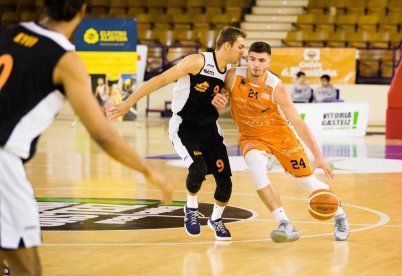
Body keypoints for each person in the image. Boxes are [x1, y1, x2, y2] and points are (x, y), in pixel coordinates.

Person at [0, 1, 173, 275]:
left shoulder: (12, 32)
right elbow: (102, 134)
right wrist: (150, 172)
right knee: (28, 269)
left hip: (10, 166)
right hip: (4, 161)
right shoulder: (65, 59)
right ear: (82, 11)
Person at [106, 26, 246, 241]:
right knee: (198, 169)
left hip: (209, 128)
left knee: (225, 182)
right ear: (227, 46)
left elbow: (221, 98)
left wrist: (222, 101)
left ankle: (215, 219)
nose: (242, 52)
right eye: (240, 47)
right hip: (185, 127)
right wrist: (128, 103)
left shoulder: (227, 73)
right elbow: (158, 80)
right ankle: (190, 208)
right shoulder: (197, 62)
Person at [212, 42, 349, 243]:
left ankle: (340, 215)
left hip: (281, 137)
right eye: (252, 59)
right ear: (247, 59)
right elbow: (221, 94)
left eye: (261, 60)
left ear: (269, 62)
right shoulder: (232, 77)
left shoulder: (276, 87)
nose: (256, 65)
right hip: (251, 138)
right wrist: (220, 98)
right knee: (257, 171)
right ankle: (285, 223)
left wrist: (318, 157)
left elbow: (298, 122)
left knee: (308, 182)